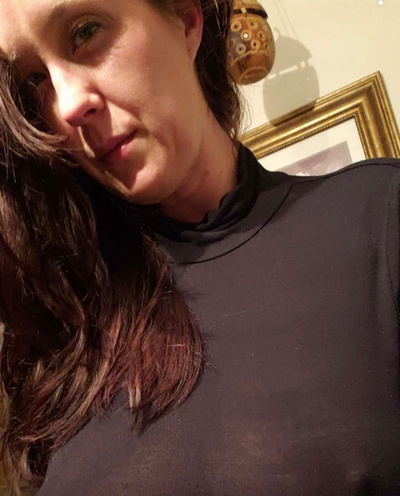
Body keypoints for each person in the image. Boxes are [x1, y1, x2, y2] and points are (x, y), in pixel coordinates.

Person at [0, 0, 400, 495]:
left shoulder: (379, 220)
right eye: (35, 78)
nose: (65, 106)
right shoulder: (67, 323)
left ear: (187, 19)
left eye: (84, 31)